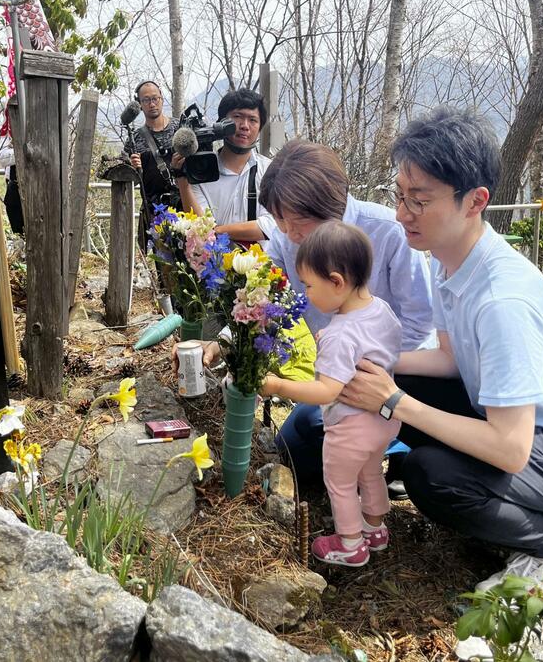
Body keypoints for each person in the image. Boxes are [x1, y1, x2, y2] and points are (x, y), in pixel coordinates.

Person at [337, 106, 543, 592]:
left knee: (431, 476)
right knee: (399, 381)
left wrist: (392, 401)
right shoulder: (446, 259)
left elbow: (511, 449)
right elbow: (450, 360)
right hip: (519, 424)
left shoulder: (502, 299)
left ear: (474, 201)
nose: (400, 213)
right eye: (399, 196)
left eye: (419, 200)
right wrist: (375, 365)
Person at [176, 140, 434, 484]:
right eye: (280, 222)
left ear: (332, 206)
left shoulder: (389, 233)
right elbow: (265, 300)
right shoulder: (287, 240)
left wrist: (371, 374)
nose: (288, 234)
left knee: (346, 439)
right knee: (294, 452)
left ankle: (401, 449)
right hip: (336, 380)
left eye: (297, 223)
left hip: (395, 374)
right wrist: (224, 342)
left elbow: (420, 324)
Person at [260, 221, 402, 567]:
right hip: (384, 419)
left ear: (337, 281)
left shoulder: (339, 333)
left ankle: (351, 543)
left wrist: (277, 385)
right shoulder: (380, 310)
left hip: (351, 427)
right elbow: (382, 347)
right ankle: (376, 528)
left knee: (339, 481)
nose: (305, 293)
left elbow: (326, 391)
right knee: (370, 471)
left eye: (309, 285)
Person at [176, 88, 276, 243]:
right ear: (222, 123)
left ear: (260, 127)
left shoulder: (270, 171)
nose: (244, 126)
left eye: (253, 120)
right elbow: (200, 228)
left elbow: (270, 226)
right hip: (212, 265)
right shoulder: (201, 172)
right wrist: (183, 181)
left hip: (263, 266)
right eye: (237, 117)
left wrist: (217, 231)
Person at [123, 81, 181, 253]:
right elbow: (129, 182)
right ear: (140, 105)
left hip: (183, 206)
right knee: (158, 265)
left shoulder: (180, 128)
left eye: (155, 98)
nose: (152, 104)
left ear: (162, 99)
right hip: (153, 211)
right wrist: (133, 169)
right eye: (146, 100)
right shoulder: (135, 139)